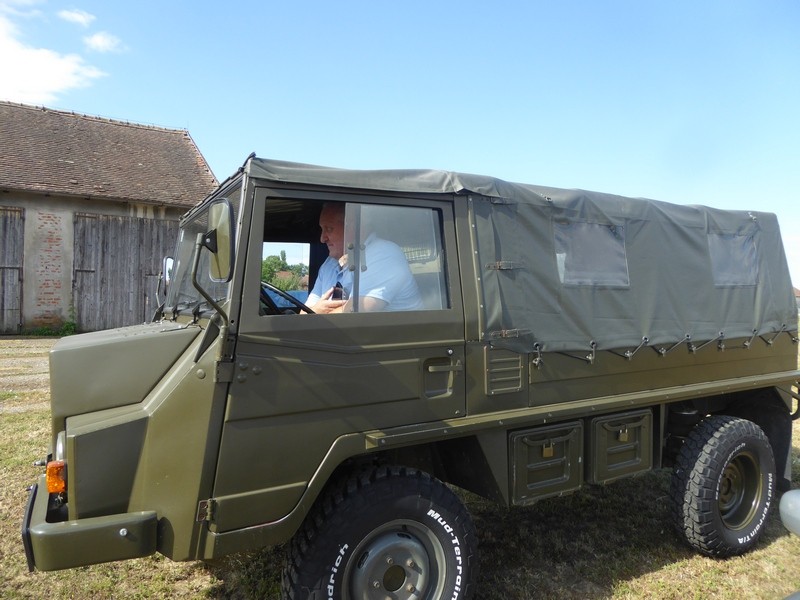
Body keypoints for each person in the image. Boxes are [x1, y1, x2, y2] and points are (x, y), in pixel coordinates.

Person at [306, 203, 423, 314]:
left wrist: (314, 313)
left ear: (354, 227)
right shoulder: (329, 264)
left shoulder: (383, 253)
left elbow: (351, 316)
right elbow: (303, 312)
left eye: (329, 229)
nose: (322, 238)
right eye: (322, 229)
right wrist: (314, 312)